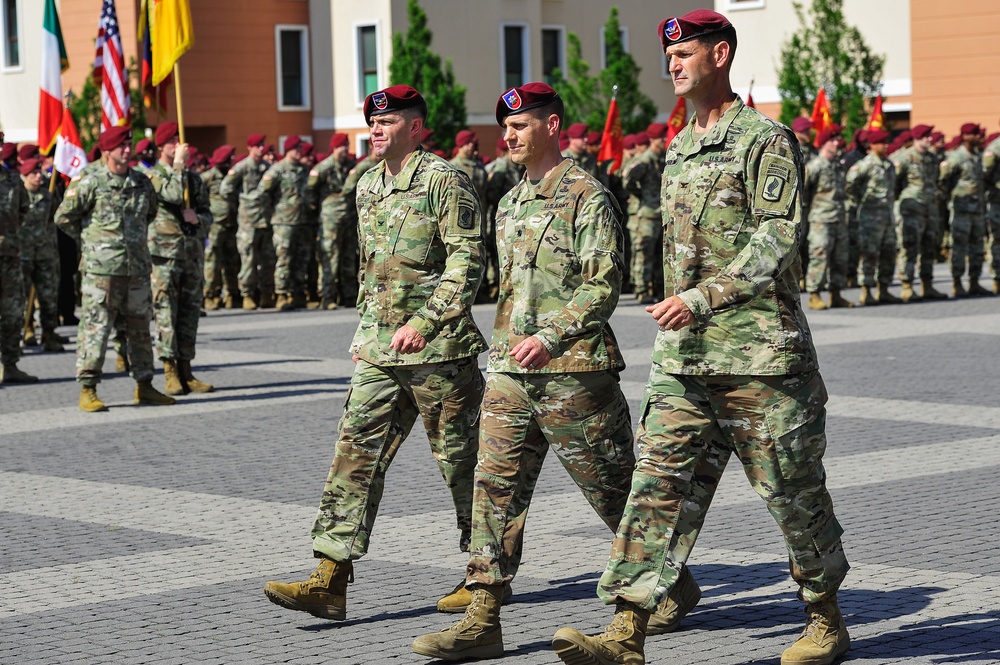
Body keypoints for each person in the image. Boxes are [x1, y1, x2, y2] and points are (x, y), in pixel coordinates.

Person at [553, 11, 850, 665]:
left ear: (720, 55)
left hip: (759, 355)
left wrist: (702, 297)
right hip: (686, 360)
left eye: (685, 52)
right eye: (669, 55)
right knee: (655, 488)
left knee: (792, 490)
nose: (673, 64)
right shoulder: (680, 146)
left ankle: (826, 620)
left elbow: (776, 235)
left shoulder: (763, 138)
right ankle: (626, 628)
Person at [412, 82, 693, 662]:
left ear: (553, 125)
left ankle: (668, 581)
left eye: (521, 125)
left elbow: (602, 285)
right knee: (492, 491)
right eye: (505, 127)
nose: (508, 136)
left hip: (575, 375)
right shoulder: (509, 202)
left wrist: (551, 335)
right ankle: (483, 615)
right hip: (512, 374)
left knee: (615, 495)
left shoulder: (587, 195)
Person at [263, 85, 488, 622]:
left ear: (415, 127)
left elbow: (467, 260)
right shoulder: (367, 185)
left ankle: (484, 580)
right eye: (373, 123)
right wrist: (366, 338)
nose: (376, 130)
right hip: (382, 352)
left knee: (464, 467)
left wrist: (426, 320)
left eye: (388, 123)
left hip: (440, 353)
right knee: (354, 457)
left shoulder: (444, 180)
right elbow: (373, 272)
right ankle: (330, 577)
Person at [53, 126, 175, 410]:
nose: (127, 150)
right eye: (121, 146)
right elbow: (63, 217)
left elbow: (150, 213)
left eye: (129, 145)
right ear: (107, 150)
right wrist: (93, 241)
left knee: (140, 329)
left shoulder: (141, 182)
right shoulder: (89, 180)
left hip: (136, 268)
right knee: (96, 328)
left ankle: (144, 385)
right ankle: (88, 387)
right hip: (102, 272)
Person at [146, 122, 215, 395]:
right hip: (165, 256)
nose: (179, 146)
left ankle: (187, 370)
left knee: (189, 313)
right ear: (161, 147)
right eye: (173, 142)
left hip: (191, 253)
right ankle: (169, 372)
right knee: (165, 312)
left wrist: (197, 218)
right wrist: (177, 166)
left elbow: (209, 214)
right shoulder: (155, 176)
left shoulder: (194, 179)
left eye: (180, 141)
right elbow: (172, 194)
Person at [892, 124, 948, 301]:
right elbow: (894, 183)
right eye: (926, 136)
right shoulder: (905, 158)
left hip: (930, 211)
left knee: (929, 248)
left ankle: (927, 285)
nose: (929, 139)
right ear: (917, 138)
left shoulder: (932, 158)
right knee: (909, 248)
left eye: (930, 136)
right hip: (911, 211)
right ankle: (907, 286)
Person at [846, 129, 902, 305]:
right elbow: (850, 184)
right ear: (873, 145)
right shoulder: (865, 165)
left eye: (887, 142)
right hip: (870, 218)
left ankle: (883, 289)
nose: (886, 146)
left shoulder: (889, 164)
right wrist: (860, 201)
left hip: (887, 217)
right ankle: (866, 291)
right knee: (869, 254)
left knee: (888, 252)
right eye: (882, 143)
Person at [220, 133, 275, 310]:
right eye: (257, 146)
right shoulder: (242, 167)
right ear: (249, 148)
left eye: (262, 145)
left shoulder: (268, 167)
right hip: (248, 222)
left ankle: (266, 293)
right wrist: (242, 200)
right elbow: (225, 188)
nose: (261, 148)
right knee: (248, 260)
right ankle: (247, 295)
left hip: (265, 220)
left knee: (267, 259)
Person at [0, 130, 38, 384]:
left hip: (10, 257)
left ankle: (10, 365)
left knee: (13, 312)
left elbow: (23, 210)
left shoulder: (13, 180)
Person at [255, 135, 310, 311]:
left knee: (301, 258)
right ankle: (281, 294)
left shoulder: (303, 169)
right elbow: (262, 192)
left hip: (301, 220)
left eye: (301, 149)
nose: (300, 152)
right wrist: (272, 211)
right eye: (296, 149)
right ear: (288, 150)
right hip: (283, 222)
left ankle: (298, 293)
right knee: (284, 258)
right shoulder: (277, 169)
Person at [803, 128, 854, 309]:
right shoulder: (815, 166)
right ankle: (814, 295)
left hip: (839, 218)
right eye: (832, 140)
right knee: (819, 256)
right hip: (820, 219)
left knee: (840, 257)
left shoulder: (838, 166)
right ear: (823, 143)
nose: (836, 143)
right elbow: (803, 193)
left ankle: (836, 294)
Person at [18, 158, 65, 352]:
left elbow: (60, 216)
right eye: (34, 174)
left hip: (46, 253)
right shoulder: (19, 195)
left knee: (48, 296)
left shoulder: (48, 195)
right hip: (23, 253)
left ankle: (49, 333)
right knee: (21, 297)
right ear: (25, 176)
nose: (39, 177)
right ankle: (25, 329)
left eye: (39, 172)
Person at [939, 123, 990, 297]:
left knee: (977, 247)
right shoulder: (955, 157)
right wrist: (949, 200)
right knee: (959, 248)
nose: (979, 137)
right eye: (975, 134)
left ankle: (974, 282)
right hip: (961, 210)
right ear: (966, 136)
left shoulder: (977, 156)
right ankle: (957, 283)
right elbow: (943, 181)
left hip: (977, 210)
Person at [307, 133, 354, 310]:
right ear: (335, 148)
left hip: (348, 218)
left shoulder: (350, 166)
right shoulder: (323, 167)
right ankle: (327, 296)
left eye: (348, 146)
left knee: (348, 257)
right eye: (344, 146)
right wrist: (315, 206)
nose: (346, 150)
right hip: (330, 219)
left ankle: (349, 295)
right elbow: (309, 189)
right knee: (330, 257)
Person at [624, 122, 667, 304]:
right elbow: (628, 180)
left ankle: (657, 288)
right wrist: (641, 196)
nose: (665, 141)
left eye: (665, 137)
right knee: (643, 253)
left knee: (659, 255)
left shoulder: (662, 159)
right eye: (661, 138)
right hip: (647, 215)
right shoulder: (645, 161)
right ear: (652, 140)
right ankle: (642, 290)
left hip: (660, 214)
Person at [201, 145, 240, 310]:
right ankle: (210, 295)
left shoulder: (233, 176)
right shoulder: (208, 177)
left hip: (232, 223)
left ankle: (232, 294)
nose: (231, 160)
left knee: (232, 261)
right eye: (229, 158)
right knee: (212, 261)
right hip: (215, 225)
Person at [982, 125, 1000, 293]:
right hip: (997, 202)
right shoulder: (994, 148)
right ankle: (997, 278)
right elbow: (984, 175)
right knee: (997, 241)